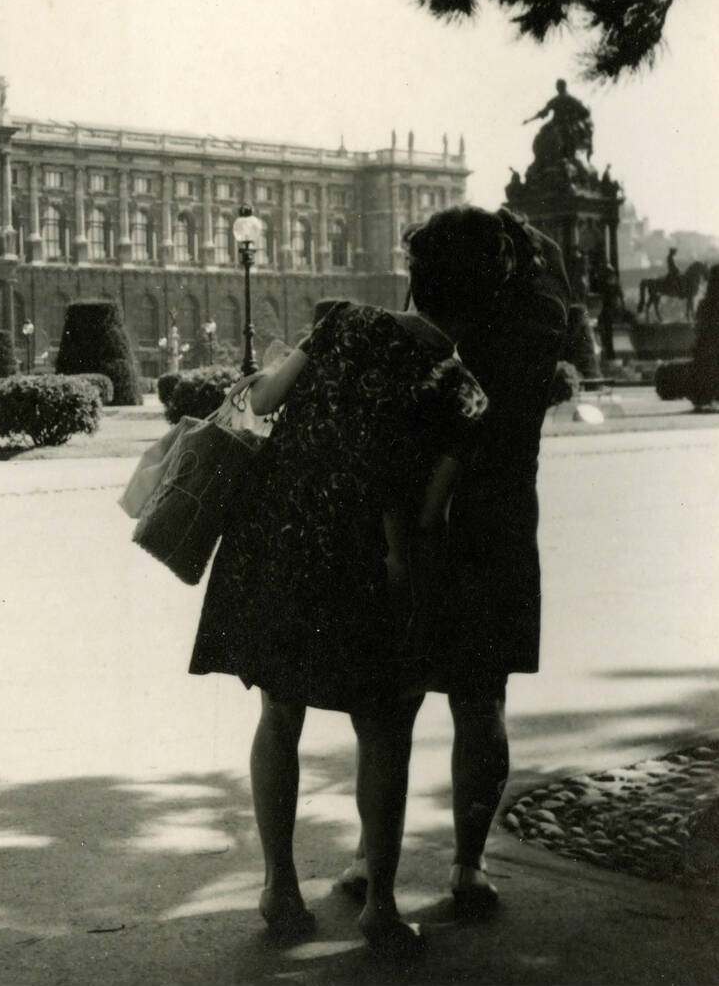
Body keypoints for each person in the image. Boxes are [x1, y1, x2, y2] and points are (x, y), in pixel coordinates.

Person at [190, 206, 514, 958]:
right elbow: (427, 514)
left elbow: (261, 402)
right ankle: (381, 909)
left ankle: (278, 887)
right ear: (482, 301)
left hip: (279, 538)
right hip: (370, 559)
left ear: (415, 277)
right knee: (385, 730)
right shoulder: (465, 393)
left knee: (280, 714)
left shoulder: (340, 322)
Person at [339, 206, 569, 916]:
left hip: (412, 525)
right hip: (500, 523)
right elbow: (551, 280)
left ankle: (368, 858)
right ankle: (469, 867)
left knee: (391, 704)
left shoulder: (428, 337)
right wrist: (515, 236)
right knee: (481, 700)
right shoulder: (537, 325)